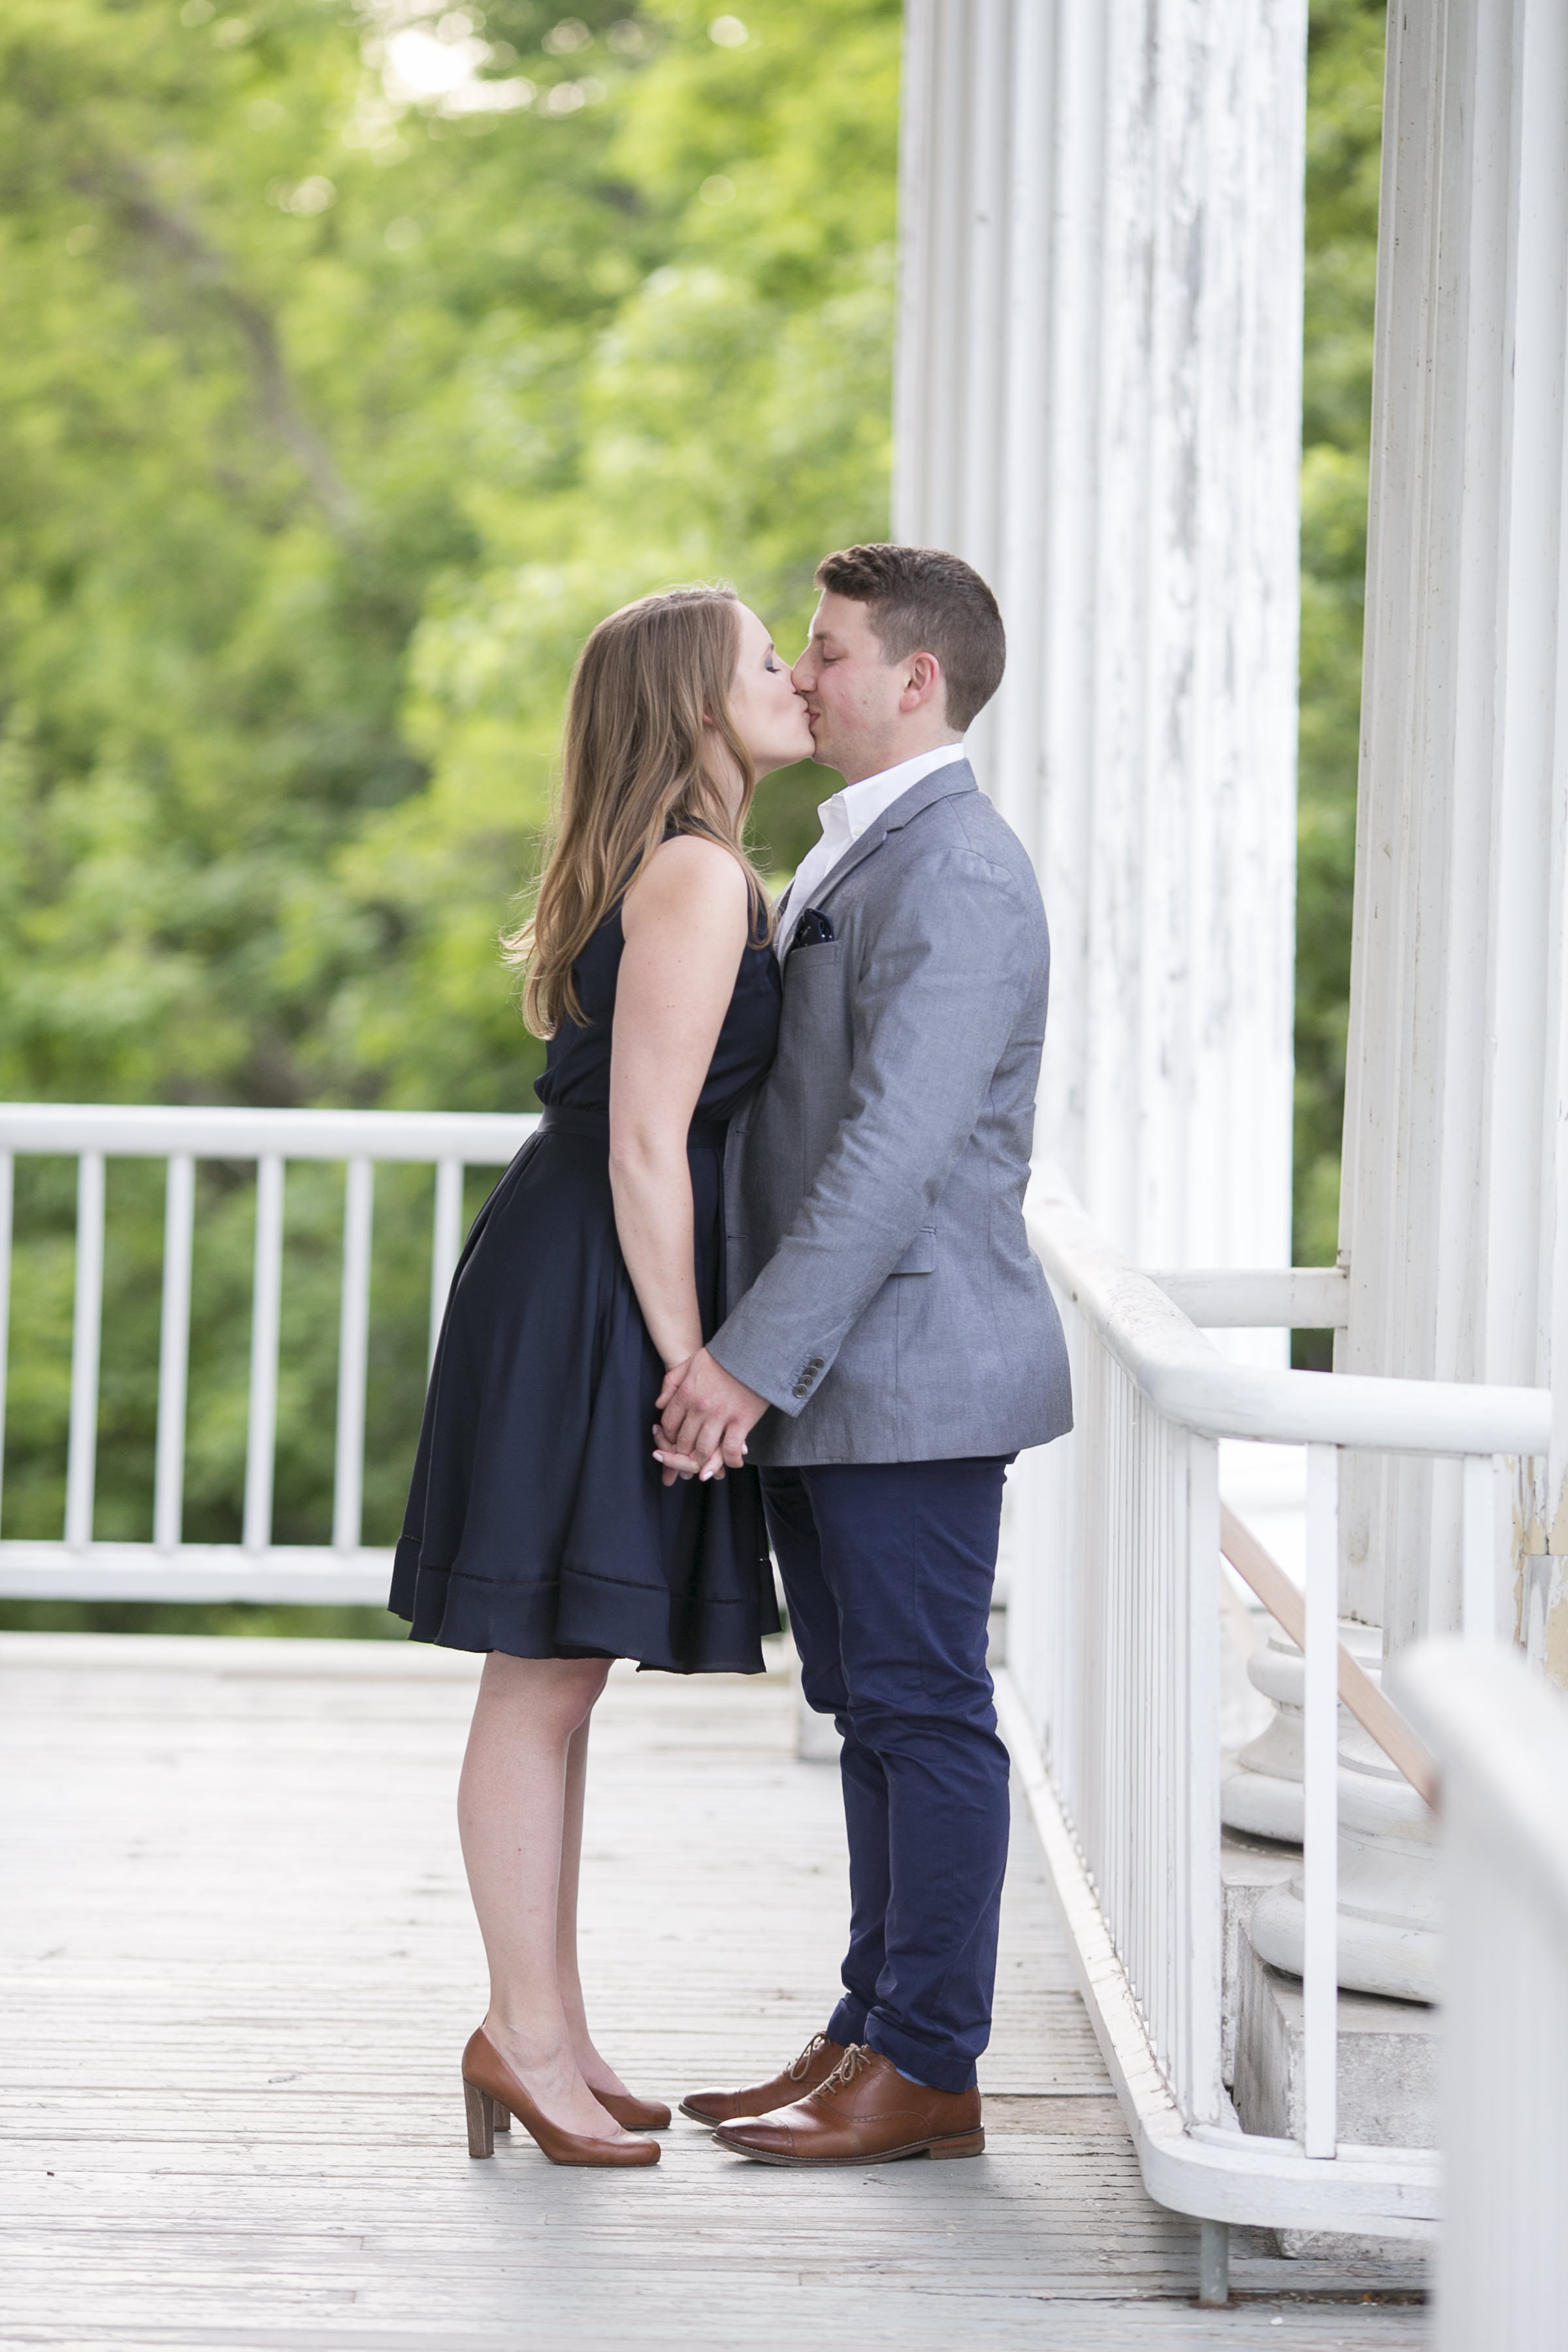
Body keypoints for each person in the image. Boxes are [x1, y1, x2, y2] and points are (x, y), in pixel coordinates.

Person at [657, 544, 1073, 2166]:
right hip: (844, 1375)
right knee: (870, 1709)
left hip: (904, 1372)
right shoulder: (858, 852)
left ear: (919, 680)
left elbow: (892, 1158)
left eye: (826, 653)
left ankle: (932, 2069)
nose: (801, 677)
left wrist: (746, 1363)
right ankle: (865, 2034)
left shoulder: (960, 869)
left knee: (923, 1710)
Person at [390, 585, 813, 2169]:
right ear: (697, 704)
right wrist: (696, 1352)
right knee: (543, 1675)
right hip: (596, 1286)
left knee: (564, 1676)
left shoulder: (688, 866)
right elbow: (647, 1145)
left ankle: (548, 2033)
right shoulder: (698, 875)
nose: (791, 677)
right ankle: (525, 2035)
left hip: (577, 1269)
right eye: (764, 659)